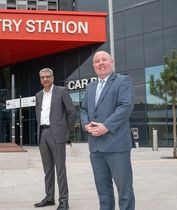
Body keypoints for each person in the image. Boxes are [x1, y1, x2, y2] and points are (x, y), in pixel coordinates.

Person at [80, 51, 135, 210]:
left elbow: (125, 107)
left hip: (117, 146)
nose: (101, 63)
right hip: (96, 147)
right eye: (97, 61)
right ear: (93, 66)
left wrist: (106, 126)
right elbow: (83, 110)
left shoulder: (122, 81)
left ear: (111, 62)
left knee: (124, 190)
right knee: (103, 191)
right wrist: (85, 125)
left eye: (104, 59)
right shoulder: (90, 87)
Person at [34, 68, 76, 210]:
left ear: (52, 77)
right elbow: (38, 115)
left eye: (48, 76)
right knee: (48, 170)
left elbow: (71, 112)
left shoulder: (61, 91)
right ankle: (49, 198)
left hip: (57, 134)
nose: (45, 79)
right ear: (40, 80)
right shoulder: (38, 95)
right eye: (42, 77)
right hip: (43, 134)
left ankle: (64, 201)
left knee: (60, 169)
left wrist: (67, 133)